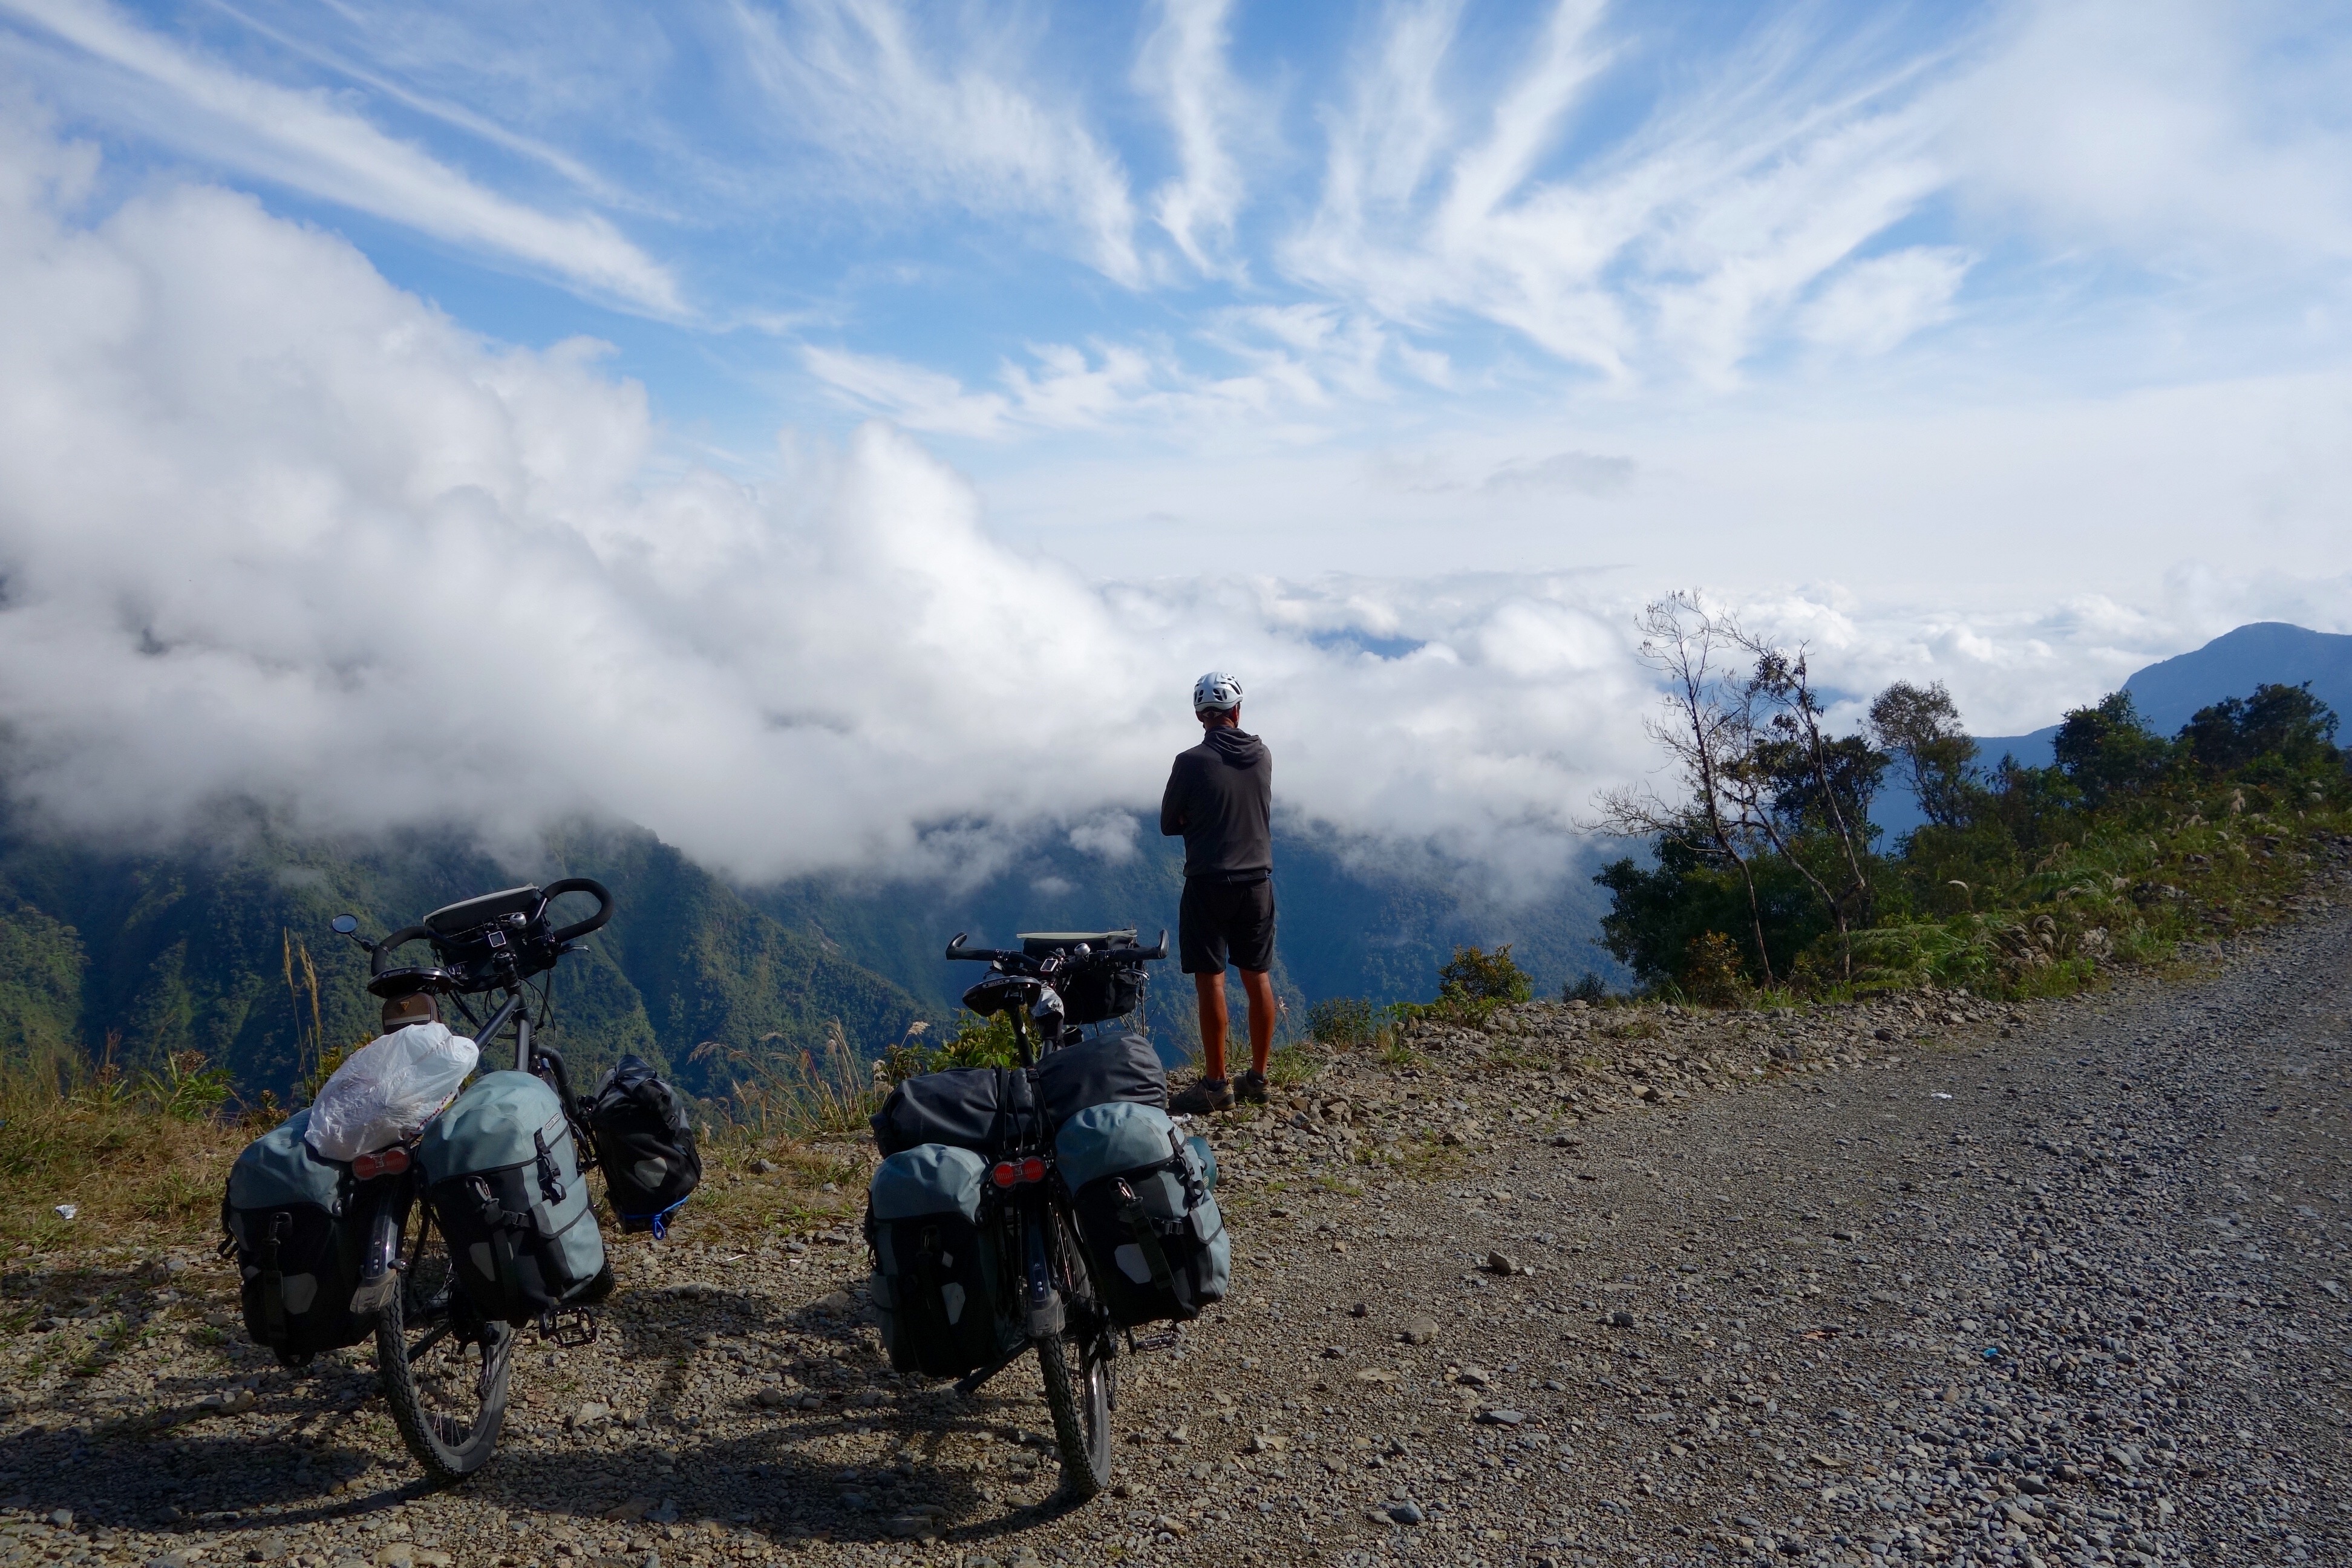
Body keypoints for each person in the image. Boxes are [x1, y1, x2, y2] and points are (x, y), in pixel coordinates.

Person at [1160, 670, 1276, 1114]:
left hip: (1209, 882)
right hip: (1258, 883)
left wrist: (1197, 817)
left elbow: (1170, 823)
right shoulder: (1262, 755)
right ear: (1237, 711)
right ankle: (1259, 1079)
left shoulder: (1190, 762)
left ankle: (1216, 1084)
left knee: (1212, 982)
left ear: (1199, 715)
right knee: (1257, 977)